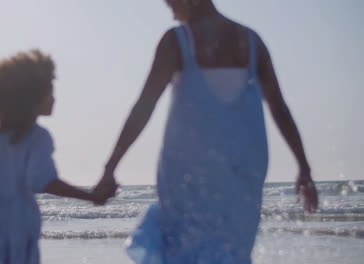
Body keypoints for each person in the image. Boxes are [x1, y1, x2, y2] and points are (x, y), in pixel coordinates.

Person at [95, 0, 318, 263]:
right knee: (230, 250)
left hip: (188, 170)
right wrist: (303, 166)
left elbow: (144, 106)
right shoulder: (251, 41)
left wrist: (111, 166)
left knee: (184, 249)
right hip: (243, 169)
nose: (168, 7)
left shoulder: (176, 41)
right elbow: (279, 107)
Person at [0, 50, 116, 264]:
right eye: (49, 92)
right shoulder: (37, 136)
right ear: (32, 98)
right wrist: (91, 197)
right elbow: (41, 179)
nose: (54, 97)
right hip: (13, 232)